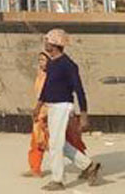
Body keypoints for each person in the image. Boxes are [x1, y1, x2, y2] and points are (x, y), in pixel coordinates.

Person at [33, 29, 101, 190]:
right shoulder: (52, 63)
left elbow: (79, 89)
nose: (45, 43)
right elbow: (47, 87)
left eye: (48, 41)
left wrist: (84, 114)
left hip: (63, 106)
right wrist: (38, 105)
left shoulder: (68, 65)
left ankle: (58, 180)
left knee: (55, 144)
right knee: (58, 143)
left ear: (55, 44)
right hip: (52, 106)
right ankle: (88, 165)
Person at [28, 51, 87, 178]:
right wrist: (38, 108)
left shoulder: (62, 70)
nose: (41, 63)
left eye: (43, 60)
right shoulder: (41, 75)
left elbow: (75, 90)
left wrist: (83, 113)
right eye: (39, 60)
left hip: (58, 111)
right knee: (40, 141)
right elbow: (43, 94)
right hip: (47, 111)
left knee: (66, 142)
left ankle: (84, 167)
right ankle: (36, 168)